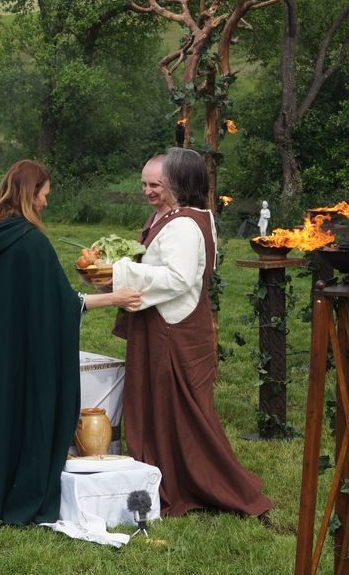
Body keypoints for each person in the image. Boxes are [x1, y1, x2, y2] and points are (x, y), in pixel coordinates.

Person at [0, 159, 142, 526]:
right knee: (10, 417)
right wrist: (114, 298)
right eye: (44, 194)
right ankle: (4, 495)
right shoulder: (32, 243)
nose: (46, 202)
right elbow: (58, 305)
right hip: (12, 354)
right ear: (30, 193)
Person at [113, 147, 273, 518]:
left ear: (178, 183)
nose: (149, 191)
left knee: (181, 413)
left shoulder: (184, 225)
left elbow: (180, 278)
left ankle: (193, 482)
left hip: (172, 329)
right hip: (164, 323)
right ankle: (160, 472)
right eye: (145, 184)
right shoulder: (171, 216)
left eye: (157, 184)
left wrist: (122, 272)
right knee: (162, 406)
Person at [137, 154, 172, 244]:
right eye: (144, 184)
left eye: (154, 185)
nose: (147, 192)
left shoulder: (176, 222)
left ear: (172, 183)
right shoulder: (154, 216)